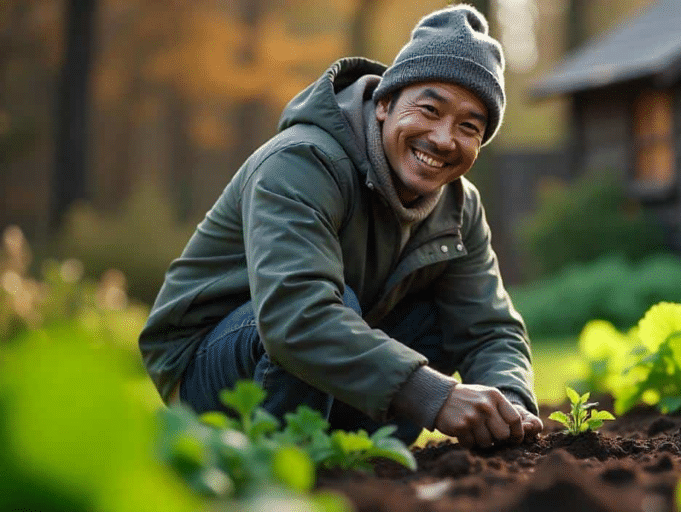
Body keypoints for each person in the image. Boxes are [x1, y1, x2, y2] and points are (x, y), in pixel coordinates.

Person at [138, 4, 541, 448]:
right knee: (331, 305)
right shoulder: (300, 163)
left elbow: (490, 329)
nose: (444, 138)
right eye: (429, 109)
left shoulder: (459, 207)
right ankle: (273, 466)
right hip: (209, 364)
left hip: (319, 365)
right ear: (385, 103)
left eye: (468, 126)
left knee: (433, 317)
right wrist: (436, 396)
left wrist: (509, 406)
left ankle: (359, 463)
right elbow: (295, 316)